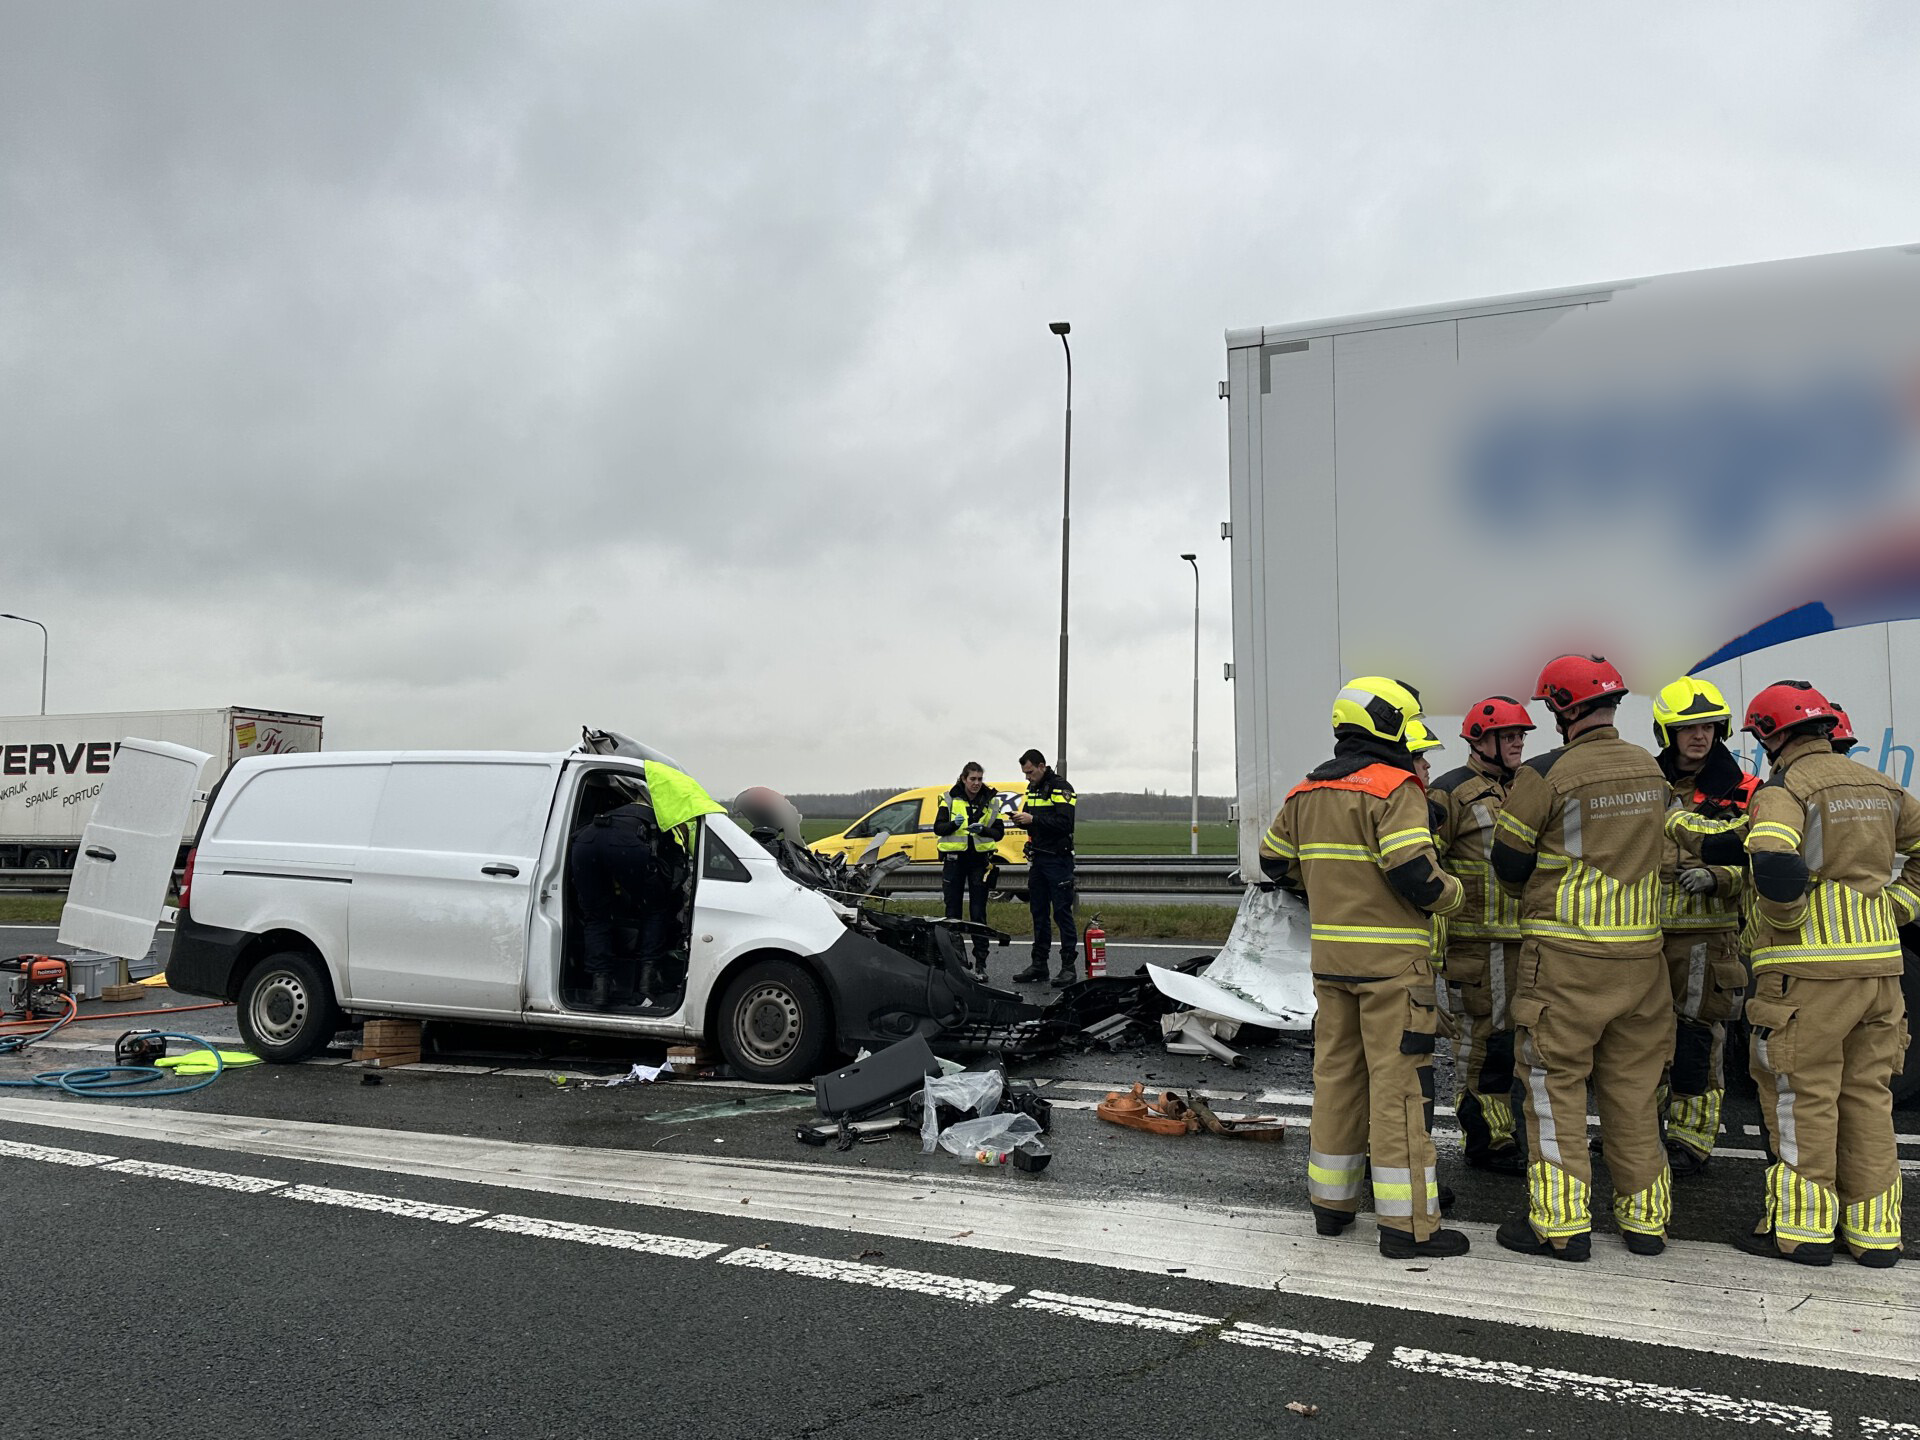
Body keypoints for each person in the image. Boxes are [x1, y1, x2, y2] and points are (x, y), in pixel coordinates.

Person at [1260, 676, 1471, 1260]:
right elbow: (1414, 873)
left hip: (1331, 965)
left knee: (1337, 1084)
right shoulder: (1394, 787)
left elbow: (1271, 861)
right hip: (1392, 971)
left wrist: (1324, 889)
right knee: (1400, 1092)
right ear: (1392, 726)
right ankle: (1407, 1228)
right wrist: (1454, 896)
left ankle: (1332, 1207)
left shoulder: (1305, 792)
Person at [1492, 655, 1672, 1261]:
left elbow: (1509, 863)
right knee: (1635, 1090)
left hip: (1567, 958)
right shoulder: (1651, 769)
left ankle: (1561, 1225)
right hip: (1643, 960)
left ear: (1561, 708)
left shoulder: (1548, 774)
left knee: (1552, 1086)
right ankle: (1646, 1223)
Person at [1739, 679, 1913, 1267]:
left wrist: (1785, 920)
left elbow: (1772, 858)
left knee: (1803, 1095)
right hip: (1880, 970)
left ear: (1772, 735)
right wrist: (1899, 907)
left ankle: (1805, 1232)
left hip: (1807, 971)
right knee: (1868, 1095)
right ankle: (1874, 1235)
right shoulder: (1884, 785)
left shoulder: (1785, 786)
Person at [1650, 677, 1759, 1177]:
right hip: (1644, 936)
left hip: (1705, 938)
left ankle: (1691, 1138)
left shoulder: (1745, 791)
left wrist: (1717, 875)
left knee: (1695, 1041)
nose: (1700, 736)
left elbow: (1762, 861)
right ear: (1667, 733)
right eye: (1688, 727)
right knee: (1640, 1039)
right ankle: (1637, 1132)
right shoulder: (1646, 786)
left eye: (1710, 726)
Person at [1427, 695, 1536, 1177]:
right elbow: (1423, 862)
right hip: (1476, 944)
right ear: (1480, 741)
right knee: (1482, 1046)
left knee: (1516, 1044)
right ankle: (1488, 1140)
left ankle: (1507, 1131)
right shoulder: (1449, 793)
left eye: (1520, 735)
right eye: (1508, 735)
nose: (1516, 742)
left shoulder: (1530, 788)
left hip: (1526, 940)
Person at [568, 796, 678, 1009]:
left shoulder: (613, 810)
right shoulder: (660, 816)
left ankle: (599, 989)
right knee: (655, 908)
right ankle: (647, 985)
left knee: (596, 917)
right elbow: (670, 858)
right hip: (624, 845)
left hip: (584, 843)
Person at [1010, 748, 1079, 987]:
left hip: (1058, 861)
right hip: (1039, 859)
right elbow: (1034, 822)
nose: (1027, 777)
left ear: (1041, 766)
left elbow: (1065, 823)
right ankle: (1039, 965)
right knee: (1038, 913)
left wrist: (1034, 820)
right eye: (1024, 773)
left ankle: (1068, 968)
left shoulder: (1061, 787)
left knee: (1062, 913)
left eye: (1030, 772)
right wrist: (1022, 820)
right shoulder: (1033, 789)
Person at [932, 761, 1005, 978]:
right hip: (955, 861)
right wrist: (954, 824)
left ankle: (981, 963)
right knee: (952, 913)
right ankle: (957, 962)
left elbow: (999, 832)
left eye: (980, 779)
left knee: (978, 913)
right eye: (972, 779)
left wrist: (984, 829)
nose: (976, 783)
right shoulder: (949, 798)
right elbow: (938, 828)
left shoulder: (991, 800)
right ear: (964, 779)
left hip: (979, 862)